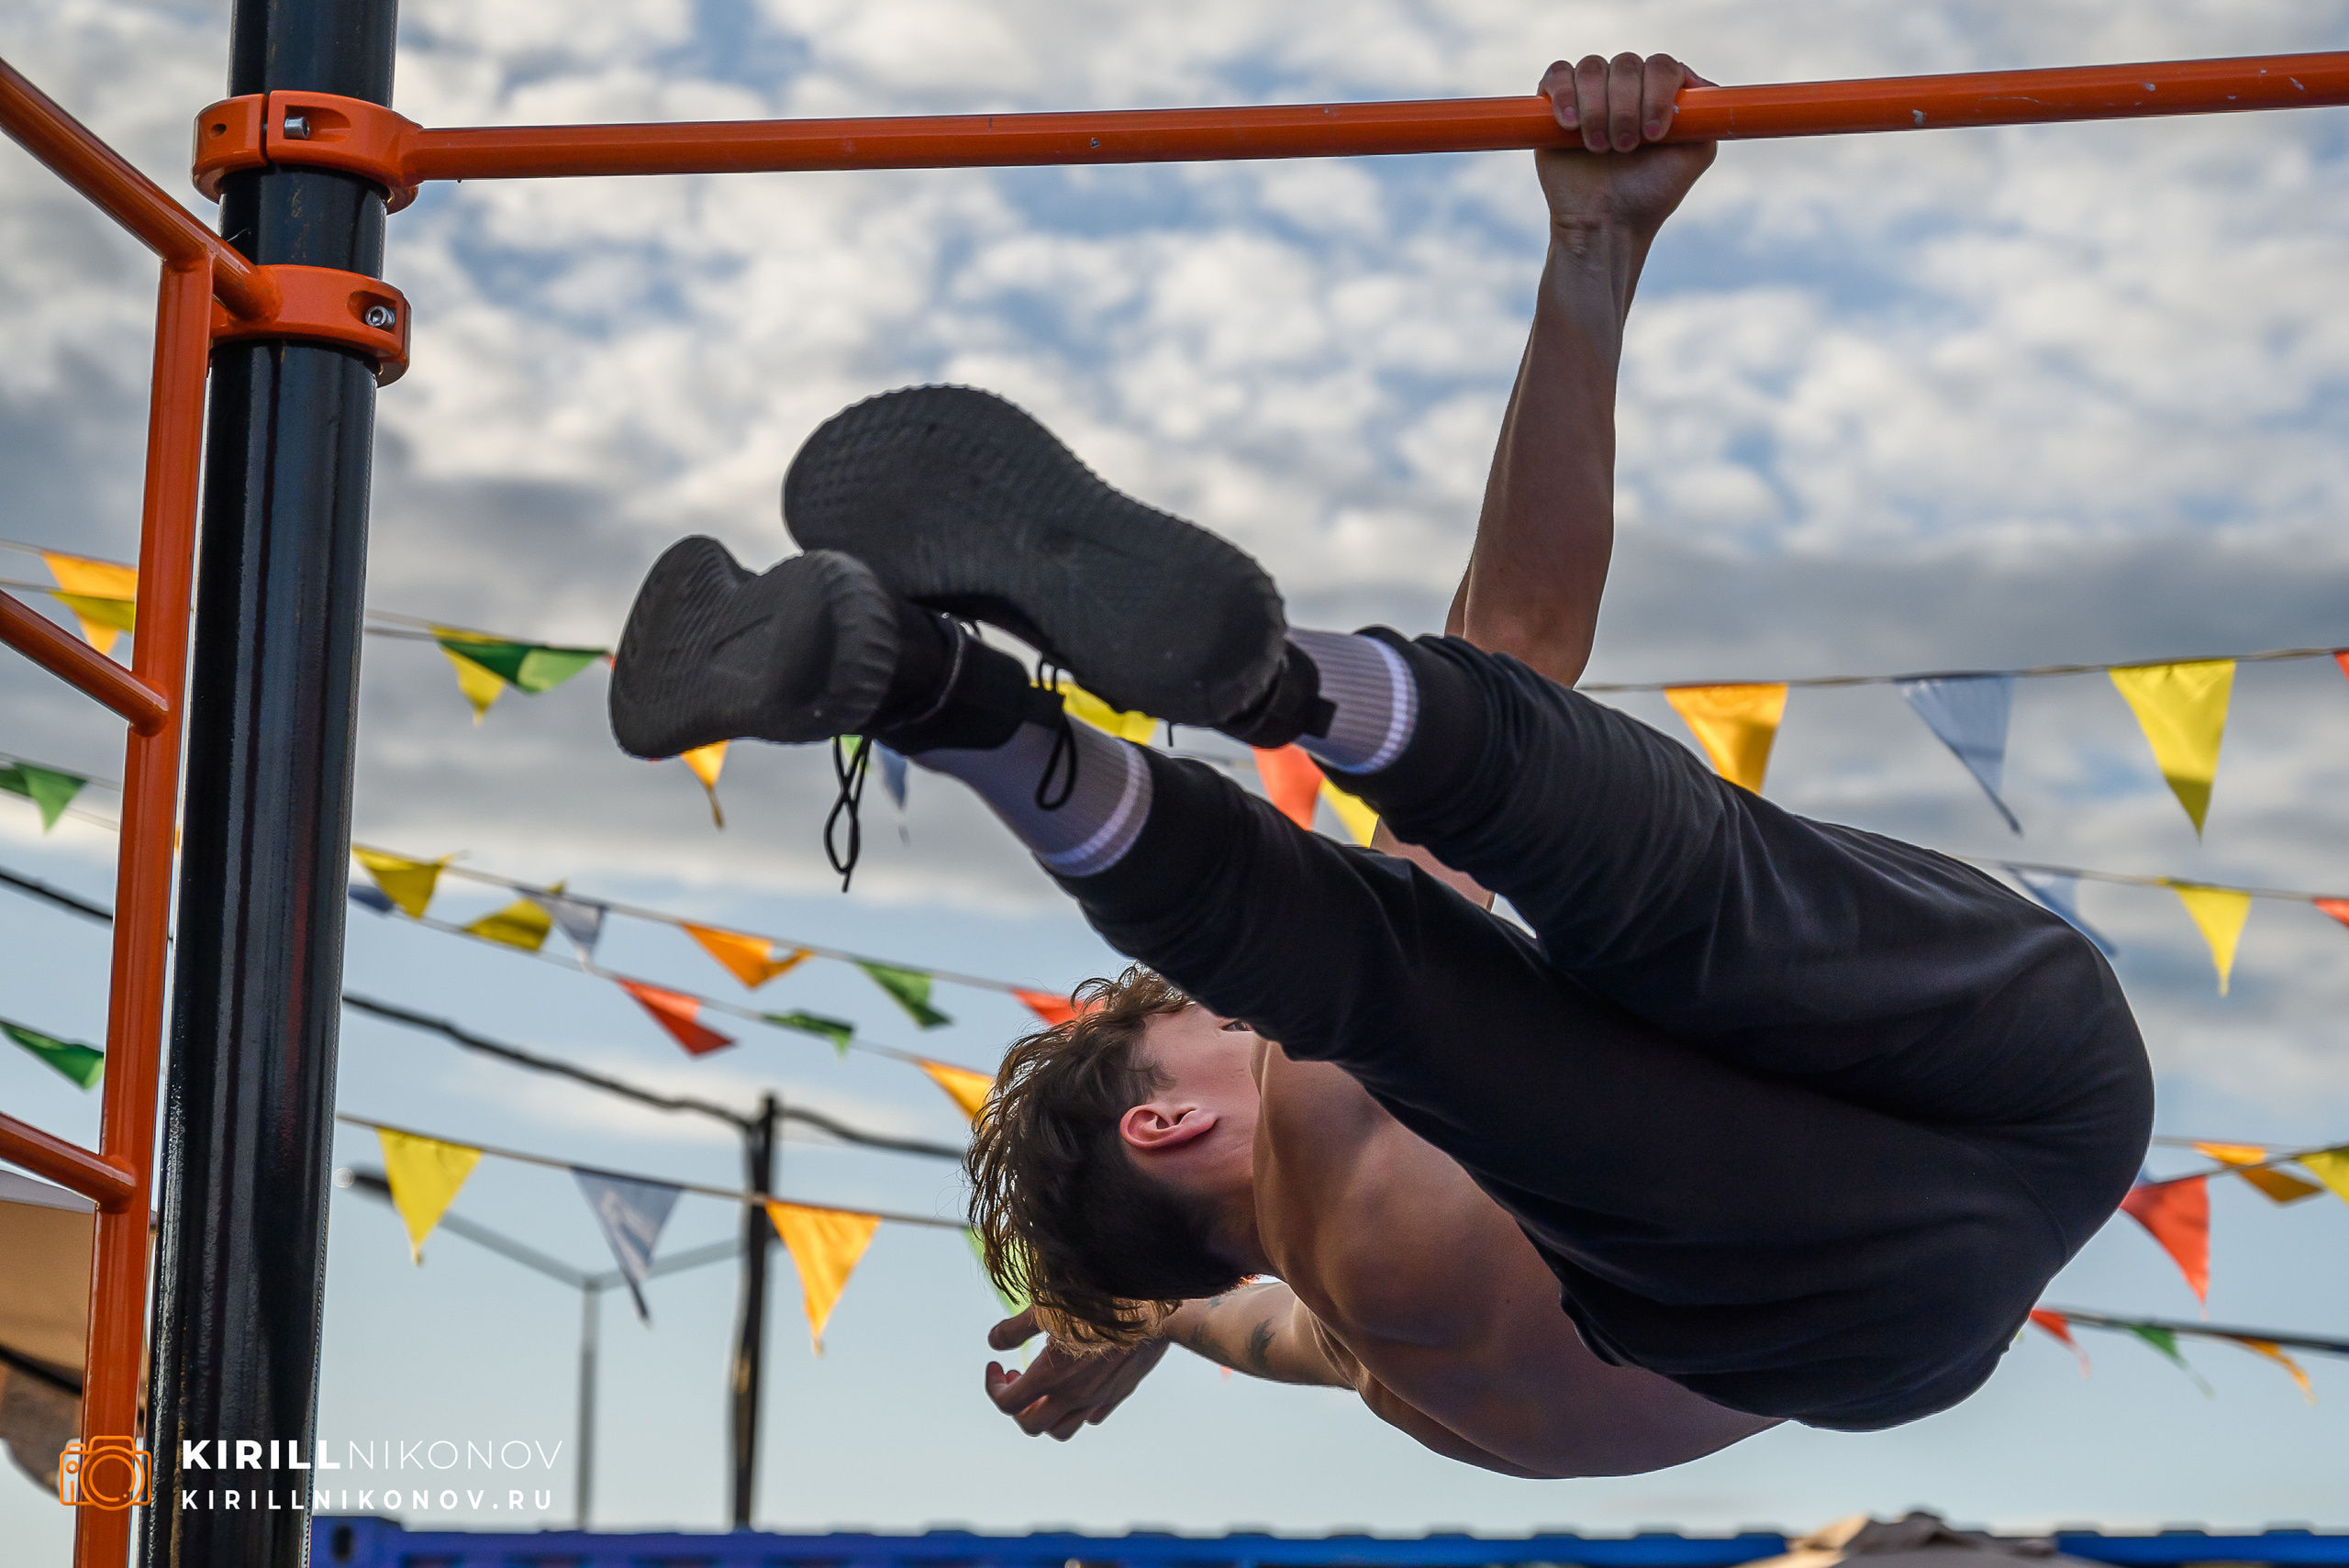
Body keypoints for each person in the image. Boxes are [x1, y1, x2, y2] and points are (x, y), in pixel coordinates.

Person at [607, 53, 2152, 1475]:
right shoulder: (1322, 1117)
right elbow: (1525, 635)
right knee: (1617, 879)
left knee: (1430, 982)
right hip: (2011, 1057)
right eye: (1201, 1023)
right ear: (1166, 1124)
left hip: (1882, 1321)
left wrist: (1131, 1318)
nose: (1238, 1029)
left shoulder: (1369, 1358)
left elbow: (1229, 1316)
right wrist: (1592, 251)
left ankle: (953, 705)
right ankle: (1274, 682)